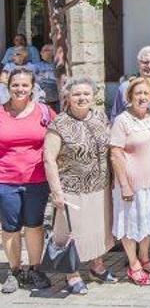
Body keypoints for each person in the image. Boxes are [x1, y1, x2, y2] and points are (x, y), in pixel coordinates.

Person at [43, 77, 116, 294]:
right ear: (68, 97)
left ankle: (97, 266)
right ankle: (72, 274)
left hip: (100, 185)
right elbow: (49, 159)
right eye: (76, 94)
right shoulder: (59, 124)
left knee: (98, 229)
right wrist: (56, 191)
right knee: (71, 232)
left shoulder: (100, 118)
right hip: (71, 189)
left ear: (93, 97)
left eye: (86, 94)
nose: (82, 98)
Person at [108, 76, 150, 286]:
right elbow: (115, 153)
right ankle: (133, 265)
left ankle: (145, 258)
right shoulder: (122, 120)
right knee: (131, 224)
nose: (142, 97)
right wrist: (124, 184)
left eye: (146, 93)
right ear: (130, 96)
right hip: (132, 183)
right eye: (138, 93)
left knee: (147, 221)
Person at [0, 68, 54, 292]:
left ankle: (35, 269)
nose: (20, 89)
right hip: (5, 180)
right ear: (8, 87)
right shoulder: (1, 113)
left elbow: (61, 138)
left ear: (32, 87)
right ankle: (14, 271)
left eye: (24, 85)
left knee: (34, 225)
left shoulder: (44, 112)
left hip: (37, 180)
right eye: (15, 85)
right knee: (10, 228)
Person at [33, 44, 58, 110]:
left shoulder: (58, 65)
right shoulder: (37, 66)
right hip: (41, 91)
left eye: (45, 50)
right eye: (41, 51)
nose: (41, 53)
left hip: (54, 90)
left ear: (54, 52)